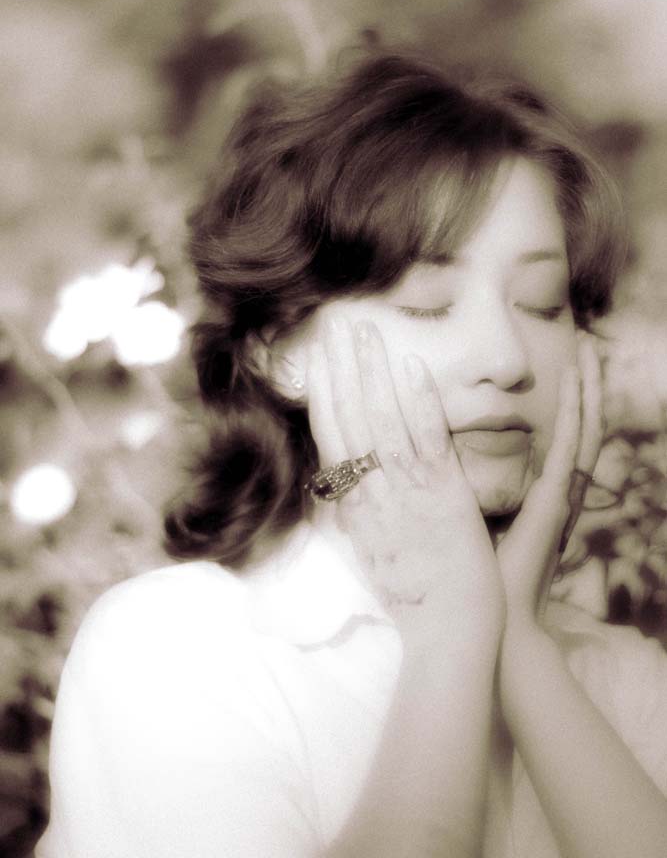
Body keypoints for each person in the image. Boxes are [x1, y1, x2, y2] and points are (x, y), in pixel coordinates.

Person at [36, 51, 667, 858]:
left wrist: (520, 647)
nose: (506, 359)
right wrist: (450, 635)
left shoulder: (619, 676)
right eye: (427, 305)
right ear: (278, 350)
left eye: (542, 305)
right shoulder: (176, 648)